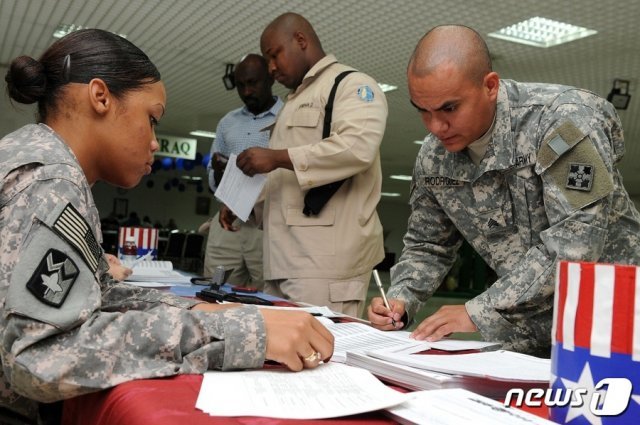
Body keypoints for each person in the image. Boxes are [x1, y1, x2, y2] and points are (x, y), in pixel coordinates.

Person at [0, 29, 333, 424]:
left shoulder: (40, 157)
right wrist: (243, 334)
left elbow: (97, 296)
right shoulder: (51, 181)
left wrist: (206, 313)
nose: (155, 142)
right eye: (151, 119)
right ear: (100, 97)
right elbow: (40, 357)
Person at [367, 24, 640, 356]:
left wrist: (478, 310)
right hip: (525, 329)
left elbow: (576, 241)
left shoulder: (565, 121)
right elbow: (429, 245)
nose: (435, 126)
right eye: (422, 110)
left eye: (449, 108)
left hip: (611, 321)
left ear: (490, 86)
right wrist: (401, 298)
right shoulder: (434, 157)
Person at [221, 13, 387, 317]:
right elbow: (285, 182)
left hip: (324, 266)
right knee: (283, 356)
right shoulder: (293, 102)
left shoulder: (351, 85)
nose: (271, 67)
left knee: (324, 356)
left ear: (300, 40)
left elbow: (356, 148)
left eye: (274, 55)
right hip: (281, 262)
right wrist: (242, 204)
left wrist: (276, 157)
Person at [204, 54, 283, 290]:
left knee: (269, 297)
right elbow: (212, 182)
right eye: (241, 85)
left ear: (270, 78)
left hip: (268, 225)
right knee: (215, 291)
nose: (247, 91)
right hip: (228, 222)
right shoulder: (228, 123)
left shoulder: (289, 118)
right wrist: (219, 170)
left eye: (253, 83)